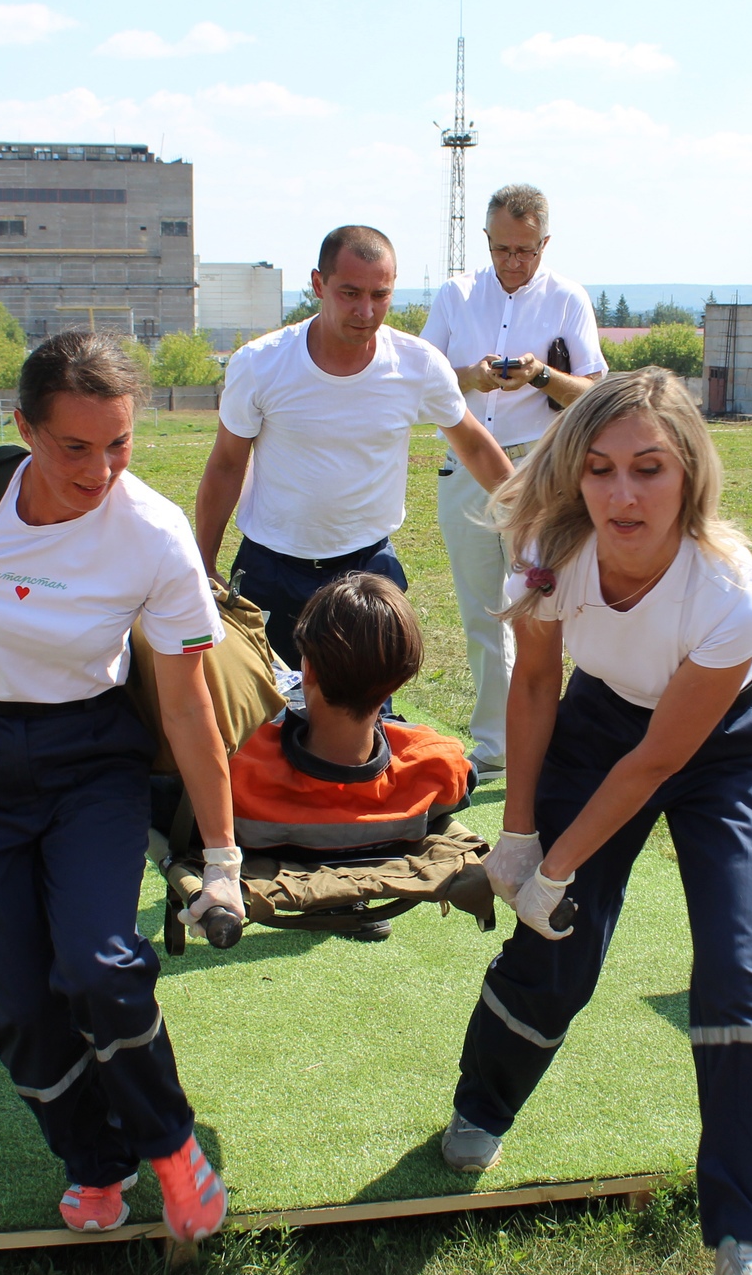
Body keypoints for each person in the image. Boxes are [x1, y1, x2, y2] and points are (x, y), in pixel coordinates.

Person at [438, 368, 752, 1275]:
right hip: (596, 723)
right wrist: (519, 839)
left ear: (690, 473)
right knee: (561, 942)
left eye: (649, 468)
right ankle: (482, 1107)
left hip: (715, 748)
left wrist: (556, 867)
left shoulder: (731, 594)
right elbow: (534, 689)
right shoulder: (547, 551)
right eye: (599, 469)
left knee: (737, 965)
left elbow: (658, 762)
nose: (622, 494)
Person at [0, 330, 239, 1241]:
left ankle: (172, 1146)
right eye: (75, 446)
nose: (100, 468)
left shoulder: (153, 533)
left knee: (100, 968)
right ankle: (92, 1163)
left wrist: (222, 858)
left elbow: (189, 708)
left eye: (119, 443)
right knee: (22, 1005)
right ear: (26, 427)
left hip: (88, 762)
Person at [194, 225, 514, 669]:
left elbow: (476, 447)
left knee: (366, 720)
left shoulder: (417, 365)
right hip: (271, 568)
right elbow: (228, 465)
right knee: (269, 722)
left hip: (367, 570)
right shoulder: (261, 363)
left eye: (380, 295)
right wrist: (204, 565)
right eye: (349, 293)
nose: (366, 310)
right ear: (318, 284)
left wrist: (533, 517)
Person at [422, 185, 605, 776]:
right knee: (481, 611)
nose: (513, 262)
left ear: (545, 243)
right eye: (502, 249)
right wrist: (472, 378)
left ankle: (553, 739)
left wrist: (541, 376)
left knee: (546, 604)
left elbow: (597, 391)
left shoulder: (568, 298)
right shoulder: (456, 294)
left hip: (540, 469)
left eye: (526, 251)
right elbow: (423, 381)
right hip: (467, 462)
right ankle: (498, 748)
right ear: (487, 241)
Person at [228, 572, 475, 859]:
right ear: (400, 680)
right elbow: (462, 780)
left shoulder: (236, 767)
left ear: (308, 670)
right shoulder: (438, 764)